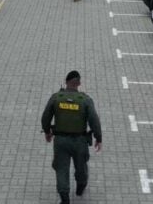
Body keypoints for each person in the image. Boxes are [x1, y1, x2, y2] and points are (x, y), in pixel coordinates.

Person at [41, 71, 102, 204]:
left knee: (61, 168)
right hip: (80, 141)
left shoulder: (56, 97)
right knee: (81, 166)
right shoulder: (85, 100)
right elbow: (94, 120)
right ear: (79, 83)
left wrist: (47, 132)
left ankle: (64, 197)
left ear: (66, 81)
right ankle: (80, 186)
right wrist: (99, 138)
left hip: (61, 141)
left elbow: (45, 117)